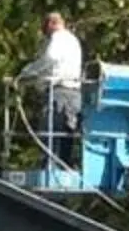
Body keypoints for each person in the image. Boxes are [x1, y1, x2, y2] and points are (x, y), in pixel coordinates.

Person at [21, 10, 85, 155]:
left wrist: (27, 73)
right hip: (74, 93)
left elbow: (50, 58)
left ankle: (49, 166)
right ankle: (64, 167)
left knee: (49, 134)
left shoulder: (58, 37)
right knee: (67, 134)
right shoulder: (73, 40)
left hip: (58, 93)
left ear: (51, 24)